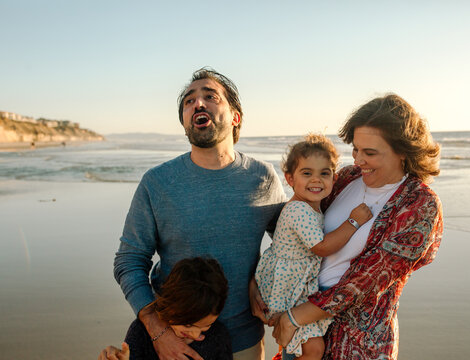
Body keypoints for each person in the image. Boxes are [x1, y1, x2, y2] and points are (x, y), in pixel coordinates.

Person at [113, 68, 286, 360]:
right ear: (184, 121)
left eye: (210, 96)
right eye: (189, 101)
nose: (198, 103)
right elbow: (129, 261)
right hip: (175, 343)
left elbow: (288, 246)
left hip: (243, 341)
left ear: (235, 117)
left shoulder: (262, 177)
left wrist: (262, 282)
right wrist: (158, 331)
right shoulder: (158, 182)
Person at [272, 94, 443, 360]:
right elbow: (299, 226)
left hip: (359, 340)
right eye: (355, 149)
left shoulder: (419, 203)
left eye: (370, 153)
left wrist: (295, 317)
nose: (358, 160)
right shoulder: (347, 178)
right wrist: (266, 286)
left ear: (402, 151)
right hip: (306, 325)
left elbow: (369, 278)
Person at [255, 134, 372, 359]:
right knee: (313, 347)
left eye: (324, 173)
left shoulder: (311, 205)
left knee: (301, 345)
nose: (316, 180)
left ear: (334, 179)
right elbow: (322, 247)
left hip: (295, 283)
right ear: (289, 179)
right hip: (289, 287)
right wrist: (353, 221)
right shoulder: (298, 210)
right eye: (307, 173)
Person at [99, 257, 232, 360]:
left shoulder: (218, 336)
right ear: (171, 305)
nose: (196, 334)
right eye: (187, 325)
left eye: (205, 326)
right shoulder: (141, 332)